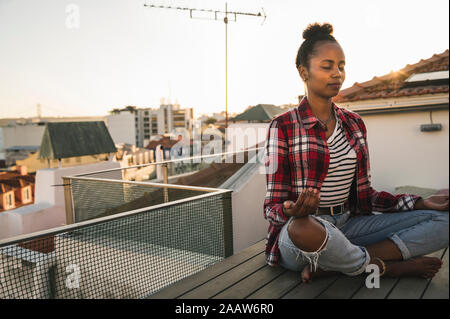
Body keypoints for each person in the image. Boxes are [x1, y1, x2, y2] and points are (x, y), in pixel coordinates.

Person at [263, 22, 449, 283]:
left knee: (443, 220)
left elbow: (367, 196)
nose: (337, 73)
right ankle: (387, 267)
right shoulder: (281, 126)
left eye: (341, 66)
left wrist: (419, 202)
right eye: (327, 66)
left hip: (349, 225)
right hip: (301, 235)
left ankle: (339, 264)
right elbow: (271, 207)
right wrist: (293, 211)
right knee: (304, 228)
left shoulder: (354, 124)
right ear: (304, 72)